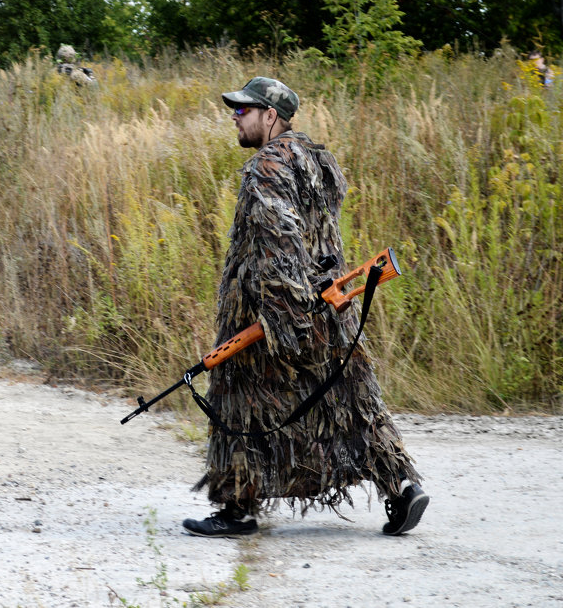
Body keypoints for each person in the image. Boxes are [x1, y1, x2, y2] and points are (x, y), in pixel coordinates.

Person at [183, 76, 428, 538]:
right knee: (349, 402)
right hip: (331, 305)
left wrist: (282, 318)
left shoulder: (266, 167)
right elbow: (320, 237)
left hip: (276, 312)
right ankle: (400, 487)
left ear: (270, 116)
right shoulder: (318, 161)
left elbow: (280, 242)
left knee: (237, 398)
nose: (235, 118)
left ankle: (236, 511)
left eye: (244, 111)